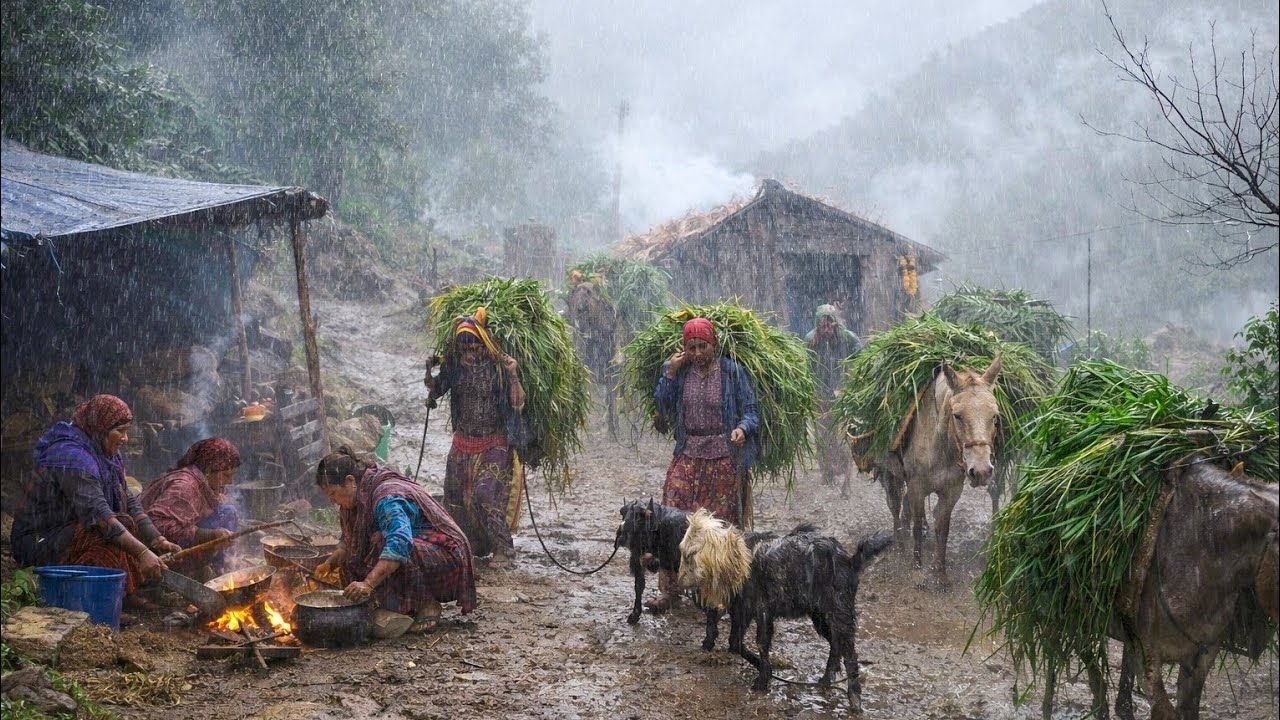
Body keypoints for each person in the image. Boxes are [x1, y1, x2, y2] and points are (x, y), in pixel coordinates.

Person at [10, 394, 181, 605]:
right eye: (120, 431)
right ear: (100, 428)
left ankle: (124, 590)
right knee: (104, 532)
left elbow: (127, 497)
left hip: (67, 530)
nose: (125, 438)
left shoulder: (105, 451)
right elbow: (99, 515)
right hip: (39, 540)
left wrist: (156, 539)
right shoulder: (71, 457)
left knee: (124, 524)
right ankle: (99, 599)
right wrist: (143, 552)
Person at [647, 317, 760, 613]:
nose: (697, 353)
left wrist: (742, 429)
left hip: (723, 458)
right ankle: (671, 589)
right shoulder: (679, 372)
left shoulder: (732, 372)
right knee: (672, 522)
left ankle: (717, 592)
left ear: (715, 345)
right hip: (688, 454)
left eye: (702, 347)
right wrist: (670, 372)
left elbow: (751, 411)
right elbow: (662, 405)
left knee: (719, 528)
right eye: (691, 348)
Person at [313, 447, 476, 633]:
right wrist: (330, 563)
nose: (333, 501)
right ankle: (397, 604)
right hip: (414, 547)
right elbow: (350, 539)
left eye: (333, 493)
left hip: (445, 556)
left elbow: (400, 541)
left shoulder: (387, 498)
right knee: (350, 563)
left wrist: (367, 584)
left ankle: (427, 604)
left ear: (350, 481)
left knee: (382, 541)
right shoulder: (357, 496)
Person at [426, 308, 528, 568]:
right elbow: (437, 390)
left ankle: (503, 549)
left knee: (485, 494)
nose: (471, 353)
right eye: (465, 348)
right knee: (454, 496)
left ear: (484, 344)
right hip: (462, 442)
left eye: (476, 346)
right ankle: (466, 546)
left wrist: (513, 374)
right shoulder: (455, 367)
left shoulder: (500, 367)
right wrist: (429, 373)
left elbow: (518, 404)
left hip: (494, 441)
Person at [139, 437, 242, 579]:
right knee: (226, 516)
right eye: (226, 475)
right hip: (154, 548)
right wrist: (210, 535)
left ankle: (222, 570)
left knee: (227, 513)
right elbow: (157, 525)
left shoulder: (202, 480)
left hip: (178, 534)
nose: (230, 481)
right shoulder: (185, 487)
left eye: (232, 475)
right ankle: (181, 574)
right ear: (208, 469)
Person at [805, 304, 864, 491]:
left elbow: (861, 361)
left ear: (836, 324)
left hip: (842, 396)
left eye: (830, 324)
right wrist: (812, 390)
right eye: (823, 325)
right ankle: (827, 472)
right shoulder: (810, 340)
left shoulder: (848, 338)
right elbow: (804, 368)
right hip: (820, 396)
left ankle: (847, 478)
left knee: (842, 437)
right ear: (818, 325)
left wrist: (847, 386)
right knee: (822, 435)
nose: (827, 329)